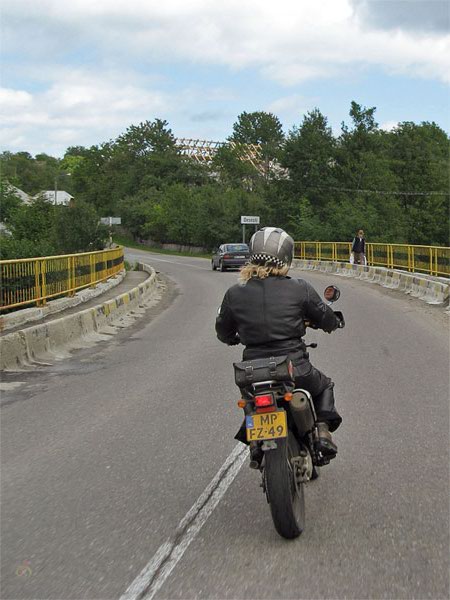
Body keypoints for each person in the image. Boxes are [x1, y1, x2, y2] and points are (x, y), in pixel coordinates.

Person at [215, 227, 343, 467]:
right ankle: (322, 431)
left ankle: (256, 443)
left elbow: (223, 330)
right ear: (286, 257)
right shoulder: (299, 287)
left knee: (251, 399)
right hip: (295, 368)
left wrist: (232, 338)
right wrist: (333, 322)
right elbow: (325, 317)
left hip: (252, 372)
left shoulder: (234, 293)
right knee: (324, 385)